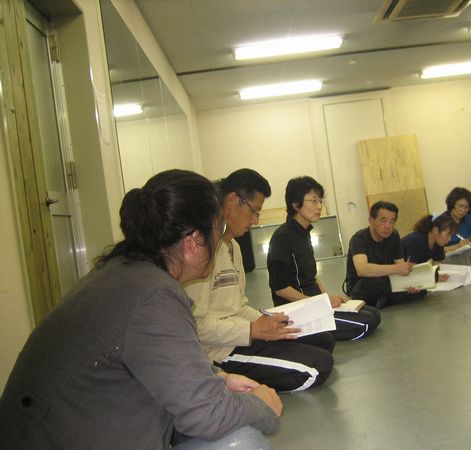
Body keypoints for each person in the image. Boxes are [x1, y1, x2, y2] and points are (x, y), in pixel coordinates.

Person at [0, 170, 281, 450]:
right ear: (194, 241)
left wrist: (219, 377)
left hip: (49, 430)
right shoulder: (155, 296)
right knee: (244, 442)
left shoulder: (123, 271)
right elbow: (206, 415)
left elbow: (155, 356)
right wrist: (260, 406)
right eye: (217, 229)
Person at [185, 169, 334, 393]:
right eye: (254, 211)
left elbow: (238, 306)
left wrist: (271, 322)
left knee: (323, 340)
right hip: (220, 351)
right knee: (318, 366)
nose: (255, 221)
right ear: (232, 201)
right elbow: (196, 326)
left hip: (242, 335)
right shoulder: (202, 252)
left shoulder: (233, 247)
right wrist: (253, 329)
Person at [267, 176, 380, 340]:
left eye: (320, 201)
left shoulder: (304, 233)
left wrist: (326, 298)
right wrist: (320, 304)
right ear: (296, 204)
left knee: (373, 313)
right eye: (314, 201)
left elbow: (311, 275)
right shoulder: (282, 237)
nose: (319, 206)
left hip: (315, 305)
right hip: (299, 311)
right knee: (366, 322)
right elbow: (280, 288)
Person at [344, 201, 427, 309]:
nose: (388, 226)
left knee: (422, 290)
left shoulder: (394, 236)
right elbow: (362, 270)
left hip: (387, 280)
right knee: (373, 283)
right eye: (383, 220)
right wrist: (397, 269)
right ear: (371, 220)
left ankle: (382, 300)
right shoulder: (359, 239)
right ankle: (386, 299)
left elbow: (400, 265)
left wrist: (408, 282)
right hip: (361, 285)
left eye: (392, 221)